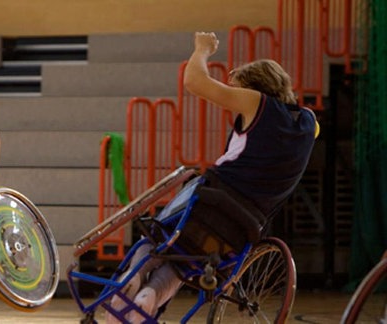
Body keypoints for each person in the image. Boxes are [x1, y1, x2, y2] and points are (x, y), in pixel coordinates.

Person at [106, 31, 319, 323]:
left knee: (157, 238)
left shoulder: (258, 104)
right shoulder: (308, 123)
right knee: (186, 262)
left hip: (212, 199)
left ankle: (129, 283)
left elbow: (195, 82)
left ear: (254, 89)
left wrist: (202, 50)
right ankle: (149, 297)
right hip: (245, 227)